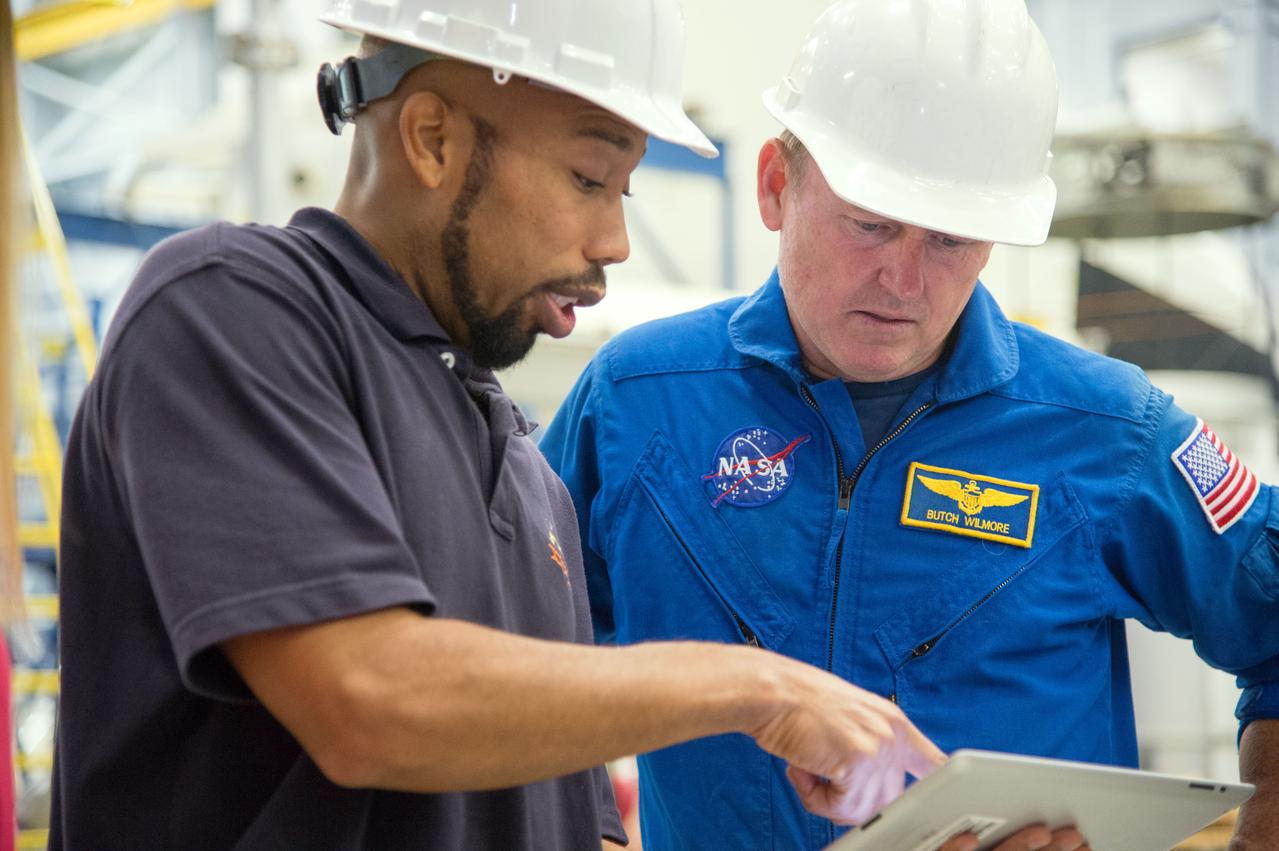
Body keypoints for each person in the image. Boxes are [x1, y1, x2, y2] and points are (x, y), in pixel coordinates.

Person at [49, 2, 953, 849]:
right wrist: (759, 689)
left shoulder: (529, 476)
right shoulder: (231, 311)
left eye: (623, 192)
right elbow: (368, 700)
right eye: (589, 177)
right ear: (431, 138)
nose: (614, 242)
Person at [540, 0, 1279, 849]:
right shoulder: (636, 402)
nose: (903, 280)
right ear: (778, 185)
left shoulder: (1109, 433)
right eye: (870, 224)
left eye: (952, 240)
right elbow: (518, 651)